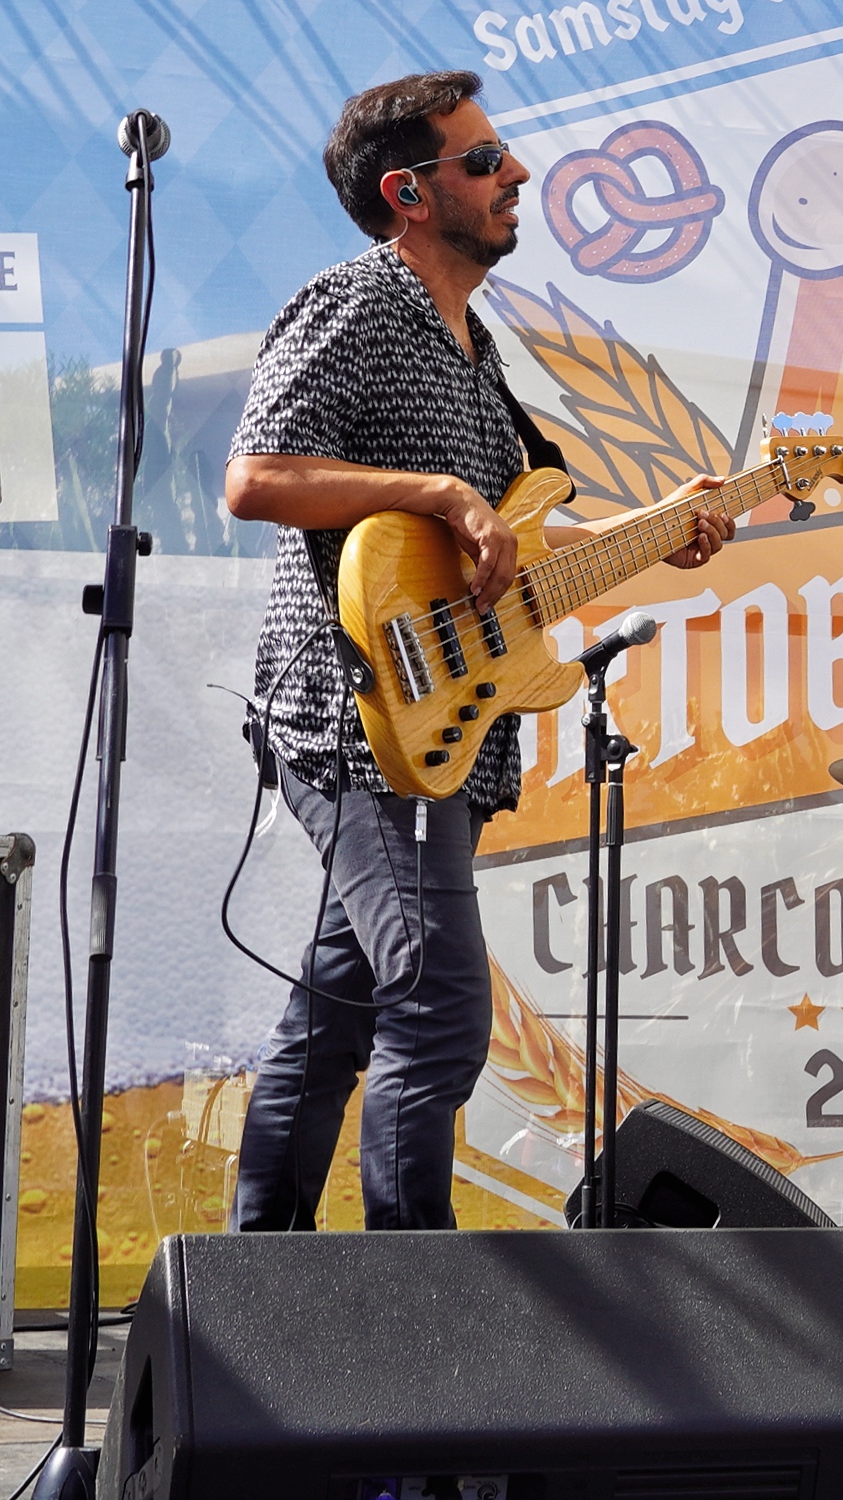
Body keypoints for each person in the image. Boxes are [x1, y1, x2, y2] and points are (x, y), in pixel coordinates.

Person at [225, 70, 736, 1231]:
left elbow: (518, 552)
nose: (517, 175)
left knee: (340, 1009)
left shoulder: (478, 349)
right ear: (408, 192)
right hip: (358, 716)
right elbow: (256, 477)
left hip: (435, 727)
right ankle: (415, 1298)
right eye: (485, 159)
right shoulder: (354, 306)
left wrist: (664, 530)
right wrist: (438, 491)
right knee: (443, 1009)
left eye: (504, 156)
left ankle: (260, 1282)